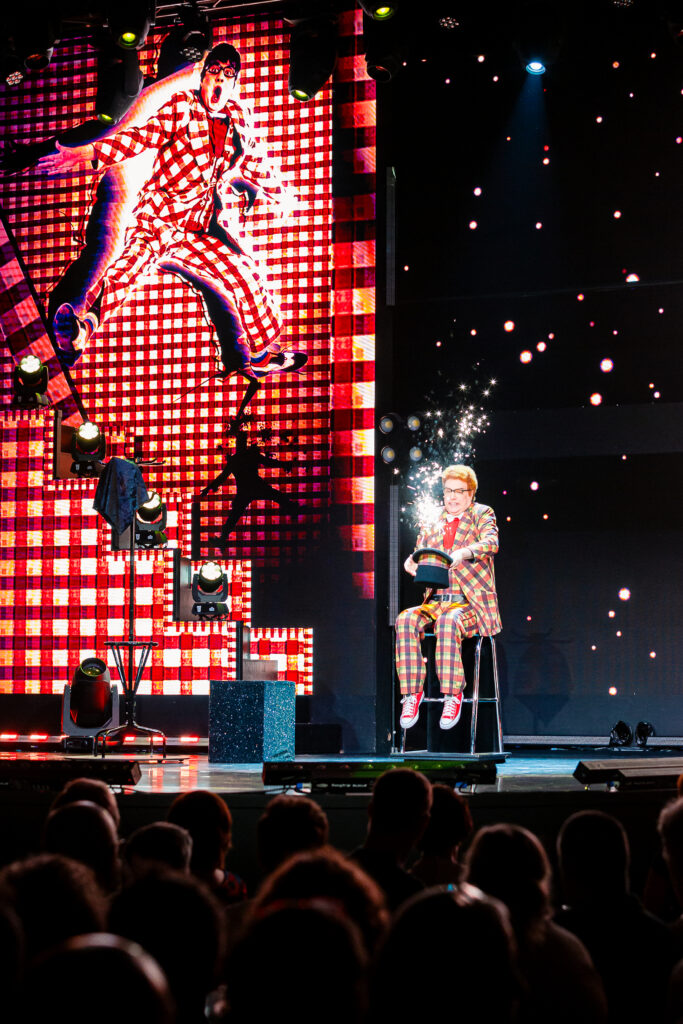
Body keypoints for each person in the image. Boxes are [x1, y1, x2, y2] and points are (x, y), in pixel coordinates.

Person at [36, 42, 306, 386]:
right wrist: (90, 152)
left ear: (234, 83)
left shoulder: (239, 119)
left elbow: (253, 161)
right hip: (160, 218)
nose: (219, 82)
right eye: (213, 72)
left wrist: (283, 195)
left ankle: (262, 353)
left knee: (246, 273)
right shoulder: (183, 108)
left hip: (199, 224)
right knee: (128, 270)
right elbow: (139, 138)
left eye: (227, 75)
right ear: (203, 76)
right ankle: (82, 329)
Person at [396, 463, 501, 730]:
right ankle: (411, 694)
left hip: (469, 605)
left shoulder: (482, 513)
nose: (452, 496)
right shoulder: (434, 518)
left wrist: (462, 553)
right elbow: (420, 551)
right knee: (406, 619)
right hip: (437, 602)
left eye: (458, 491)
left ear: (470, 494)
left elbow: (491, 543)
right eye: (447, 491)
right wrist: (411, 563)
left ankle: (452, 695)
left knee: (448, 622)